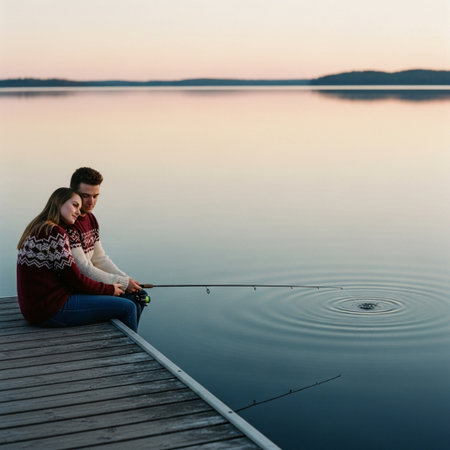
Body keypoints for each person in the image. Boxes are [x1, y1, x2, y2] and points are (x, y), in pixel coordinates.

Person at [17, 187, 141, 331]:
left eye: (79, 208)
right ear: (59, 202)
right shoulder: (55, 233)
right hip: (50, 310)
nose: (77, 212)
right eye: (75, 205)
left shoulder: (39, 228)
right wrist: (109, 289)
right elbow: (75, 278)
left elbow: (71, 276)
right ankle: (129, 352)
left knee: (127, 300)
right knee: (128, 307)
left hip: (35, 308)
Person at [67, 167, 150, 319]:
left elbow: (99, 258)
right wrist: (122, 283)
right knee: (129, 303)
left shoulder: (91, 219)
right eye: (85, 196)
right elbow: (83, 269)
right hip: (77, 288)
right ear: (73, 193)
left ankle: (131, 337)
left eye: (95, 196)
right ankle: (127, 341)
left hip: (91, 282)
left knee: (140, 295)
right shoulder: (69, 223)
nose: (91, 202)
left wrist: (127, 280)